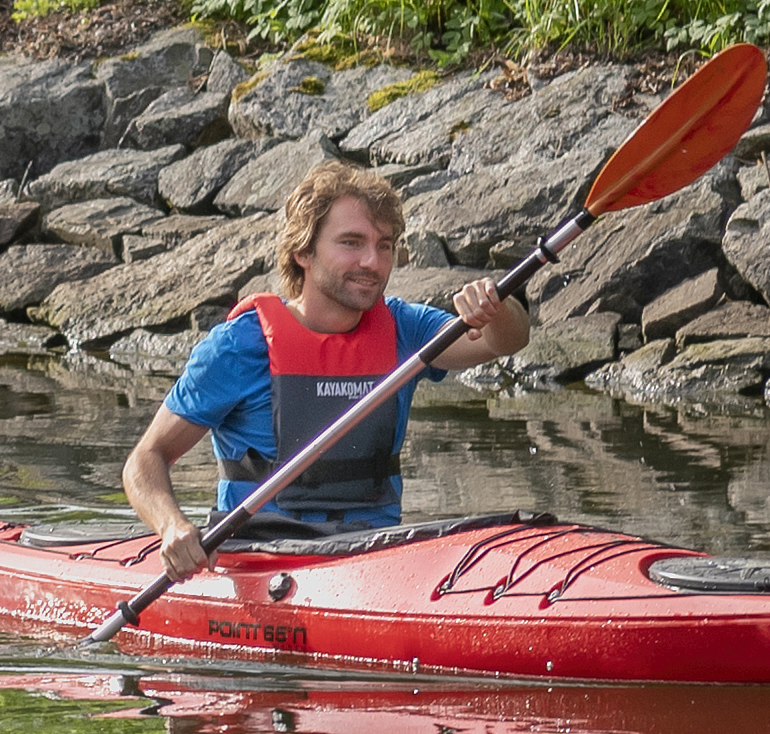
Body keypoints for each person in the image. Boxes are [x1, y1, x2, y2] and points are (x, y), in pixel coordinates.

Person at [119, 160, 534, 574]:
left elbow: (505, 341)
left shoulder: (405, 330)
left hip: (372, 554)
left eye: (384, 246)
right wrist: (172, 526)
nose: (372, 261)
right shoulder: (237, 347)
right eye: (351, 243)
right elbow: (146, 459)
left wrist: (496, 307)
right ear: (303, 251)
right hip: (261, 558)